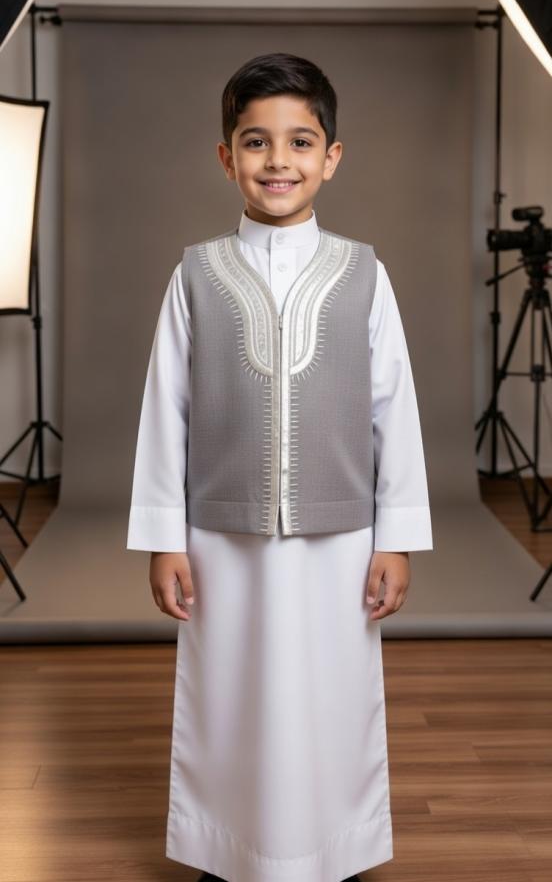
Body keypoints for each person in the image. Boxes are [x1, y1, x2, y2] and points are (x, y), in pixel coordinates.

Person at [126, 51, 433, 882]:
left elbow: (393, 409)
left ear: (331, 157)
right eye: (256, 142)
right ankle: (227, 850)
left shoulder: (365, 273)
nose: (278, 161)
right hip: (221, 536)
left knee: (333, 697)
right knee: (229, 698)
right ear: (226, 157)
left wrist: (395, 538)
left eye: (300, 142)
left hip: (342, 536)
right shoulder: (195, 274)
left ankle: (335, 850)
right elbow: (166, 410)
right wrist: (165, 539)